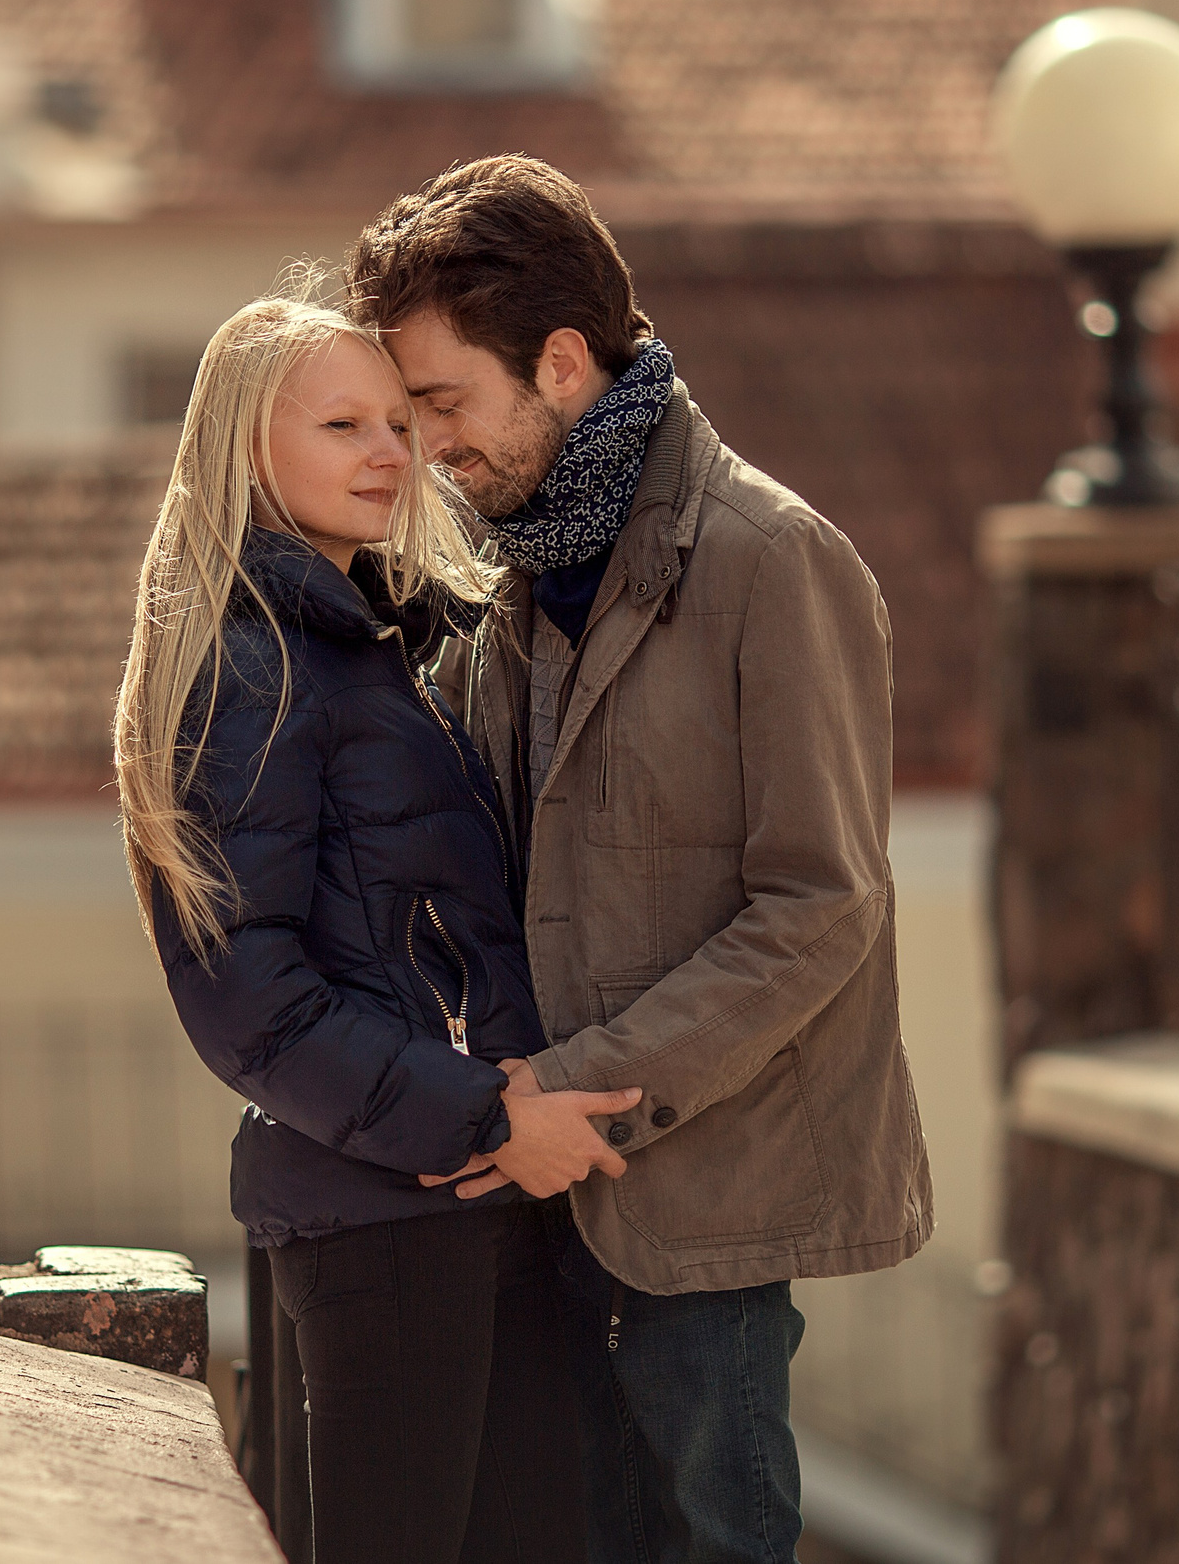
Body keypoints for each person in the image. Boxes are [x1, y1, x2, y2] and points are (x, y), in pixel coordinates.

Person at [348, 157, 935, 1564]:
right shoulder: (518, 574)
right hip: (541, 1192)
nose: (428, 446)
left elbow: (823, 901)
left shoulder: (774, 559)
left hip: (704, 1205)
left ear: (559, 362)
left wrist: (581, 1093)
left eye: (443, 402)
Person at [111, 282, 640, 1564]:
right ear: (248, 448)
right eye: (343, 426)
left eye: (398, 424)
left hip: (475, 1203)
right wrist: (486, 1116)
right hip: (394, 1222)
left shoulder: (375, 643)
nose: (389, 455)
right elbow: (245, 999)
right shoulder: (253, 664)